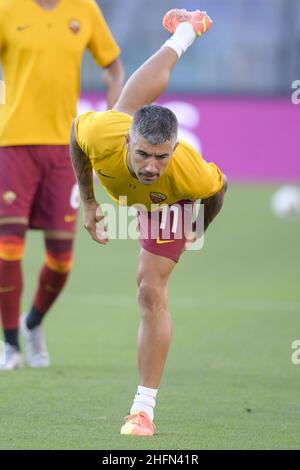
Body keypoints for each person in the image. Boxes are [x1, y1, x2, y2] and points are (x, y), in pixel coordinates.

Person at [70, 8, 228, 436]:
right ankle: (186, 32)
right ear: (127, 141)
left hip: (168, 207)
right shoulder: (103, 132)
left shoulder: (185, 172)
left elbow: (219, 187)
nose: (151, 166)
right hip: (118, 143)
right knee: (125, 106)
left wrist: (197, 228)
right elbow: (74, 137)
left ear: (175, 150)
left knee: (149, 289)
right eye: (142, 154)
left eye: (162, 156)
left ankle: (143, 409)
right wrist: (88, 203)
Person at [0, 0, 124, 370]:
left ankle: (33, 323)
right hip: (12, 145)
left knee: (61, 257)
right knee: (8, 247)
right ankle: (10, 344)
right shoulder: (8, 8)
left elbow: (114, 68)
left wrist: (110, 120)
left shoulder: (83, 9)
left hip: (65, 148)